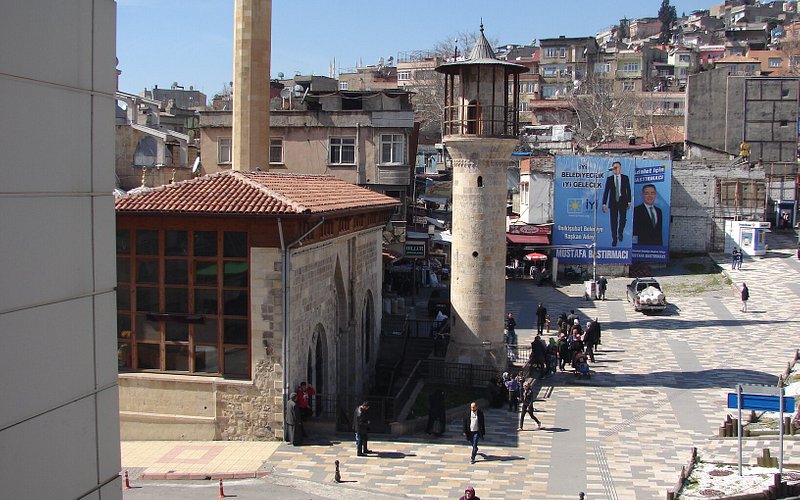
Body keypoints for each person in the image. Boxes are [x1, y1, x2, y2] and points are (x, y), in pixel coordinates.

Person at [602, 161, 632, 247]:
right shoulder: (610, 179)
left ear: (620, 168)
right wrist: (604, 203)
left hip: (623, 201)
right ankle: (614, 238)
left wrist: (629, 201)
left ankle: (620, 232)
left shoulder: (625, 178)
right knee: (613, 221)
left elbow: (628, 190)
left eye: (617, 167)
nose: (615, 169)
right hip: (613, 202)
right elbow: (606, 192)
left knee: (623, 219)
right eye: (614, 168)